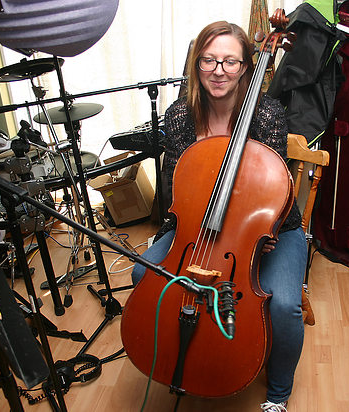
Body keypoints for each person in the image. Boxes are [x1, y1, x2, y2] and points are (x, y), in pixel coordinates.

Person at [130, 21, 306, 412]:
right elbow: (178, 187)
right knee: (144, 274)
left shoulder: (268, 113)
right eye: (209, 60)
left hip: (265, 229)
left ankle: (278, 394)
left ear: (245, 66)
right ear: (197, 65)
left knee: (282, 306)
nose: (218, 70)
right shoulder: (180, 116)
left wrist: (253, 238)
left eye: (229, 61)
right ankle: (191, 357)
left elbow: (270, 191)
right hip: (197, 227)